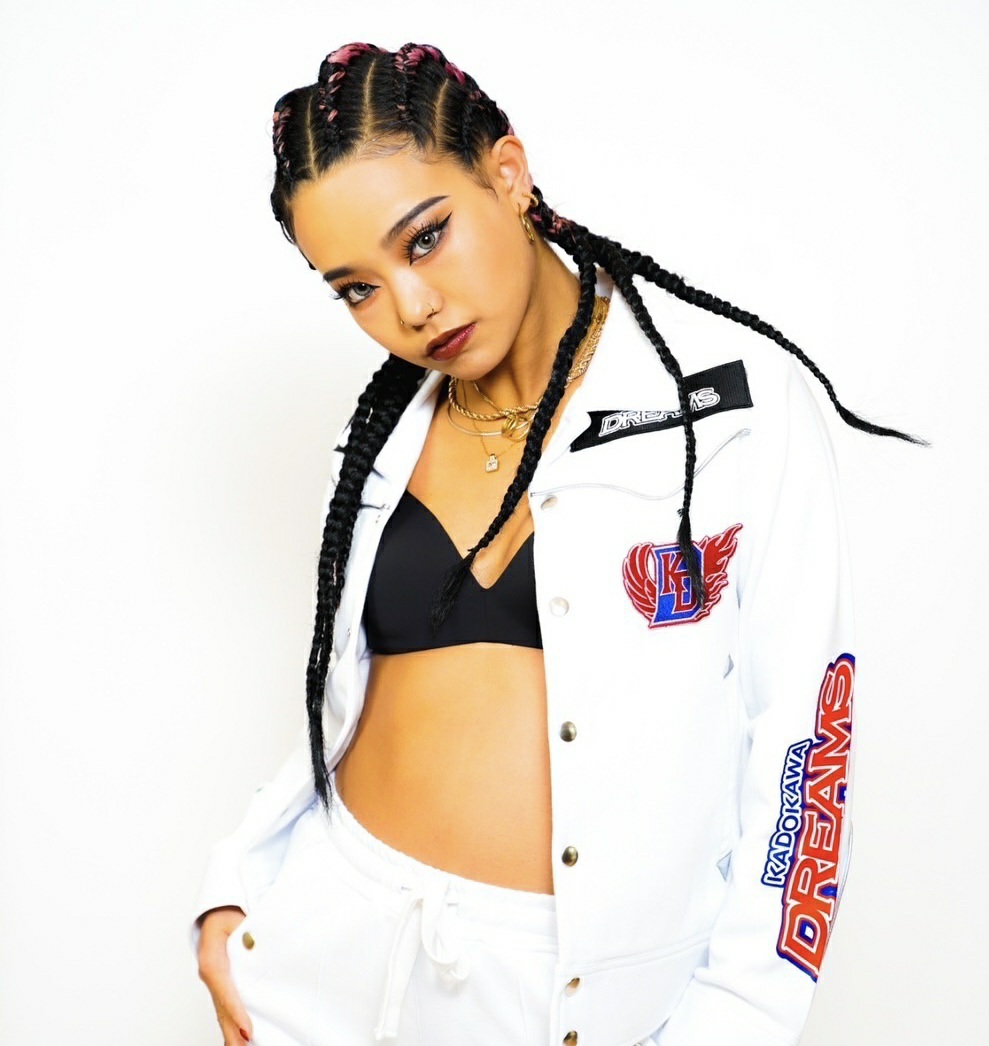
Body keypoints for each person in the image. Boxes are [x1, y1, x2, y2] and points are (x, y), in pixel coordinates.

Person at [190, 40, 927, 1046]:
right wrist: (240, 878)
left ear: (506, 173)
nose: (410, 308)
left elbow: (804, 744)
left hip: (555, 995)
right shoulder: (382, 436)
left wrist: (736, 1020)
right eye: (356, 287)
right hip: (318, 956)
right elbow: (344, 702)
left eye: (425, 239)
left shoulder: (731, 409)